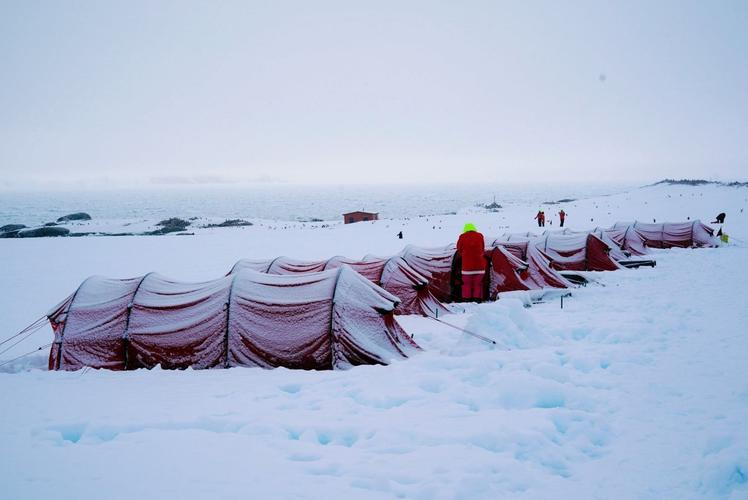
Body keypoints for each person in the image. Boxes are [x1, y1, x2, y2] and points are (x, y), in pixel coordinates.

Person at [456, 223, 486, 302]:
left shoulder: (462, 237)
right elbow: (483, 248)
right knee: (478, 284)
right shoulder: (480, 236)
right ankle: (477, 300)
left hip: (467, 268)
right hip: (480, 267)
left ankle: (467, 300)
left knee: (467, 284)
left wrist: (465, 254)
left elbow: (459, 249)